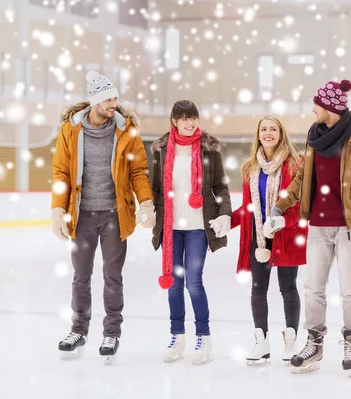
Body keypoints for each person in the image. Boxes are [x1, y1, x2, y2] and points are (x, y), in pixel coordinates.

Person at [267, 79, 351, 376]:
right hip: (318, 226)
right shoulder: (315, 137)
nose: (312, 108)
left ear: (329, 108)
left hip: (350, 227)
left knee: (350, 291)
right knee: (313, 288)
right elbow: (303, 178)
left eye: (316, 104)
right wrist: (282, 204)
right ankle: (313, 342)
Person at [51, 71, 155, 364]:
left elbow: (138, 171)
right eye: (108, 98)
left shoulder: (126, 130)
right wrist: (58, 210)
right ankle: (78, 330)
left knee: (112, 276)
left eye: (115, 98)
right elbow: (60, 171)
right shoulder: (70, 130)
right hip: (81, 214)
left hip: (114, 213)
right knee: (80, 277)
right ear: (95, 100)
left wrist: (145, 203)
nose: (114, 104)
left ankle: (111, 332)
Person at [150, 100, 232, 365]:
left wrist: (225, 214)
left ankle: (203, 337)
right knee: (174, 283)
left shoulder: (209, 150)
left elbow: (220, 187)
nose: (189, 123)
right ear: (174, 121)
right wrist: (147, 209)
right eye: (184, 118)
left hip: (198, 227)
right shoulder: (162, 150)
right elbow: (155, 188)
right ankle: (177, 336)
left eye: (193, 117)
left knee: (194, 282)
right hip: (171, 228)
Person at [230, 116, 307, 365]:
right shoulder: (250, 167)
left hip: (285, 235)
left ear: (281, 133)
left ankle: (291, 340)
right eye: (264, 129)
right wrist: (226, 222)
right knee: (258, 289)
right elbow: (248, 209)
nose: (268, 133)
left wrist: (284, 221)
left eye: (273, 129)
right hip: (258, 236)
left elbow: (301, 203)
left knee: (288, 287)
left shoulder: (295, 164)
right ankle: (261, 341)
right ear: (258, 135)